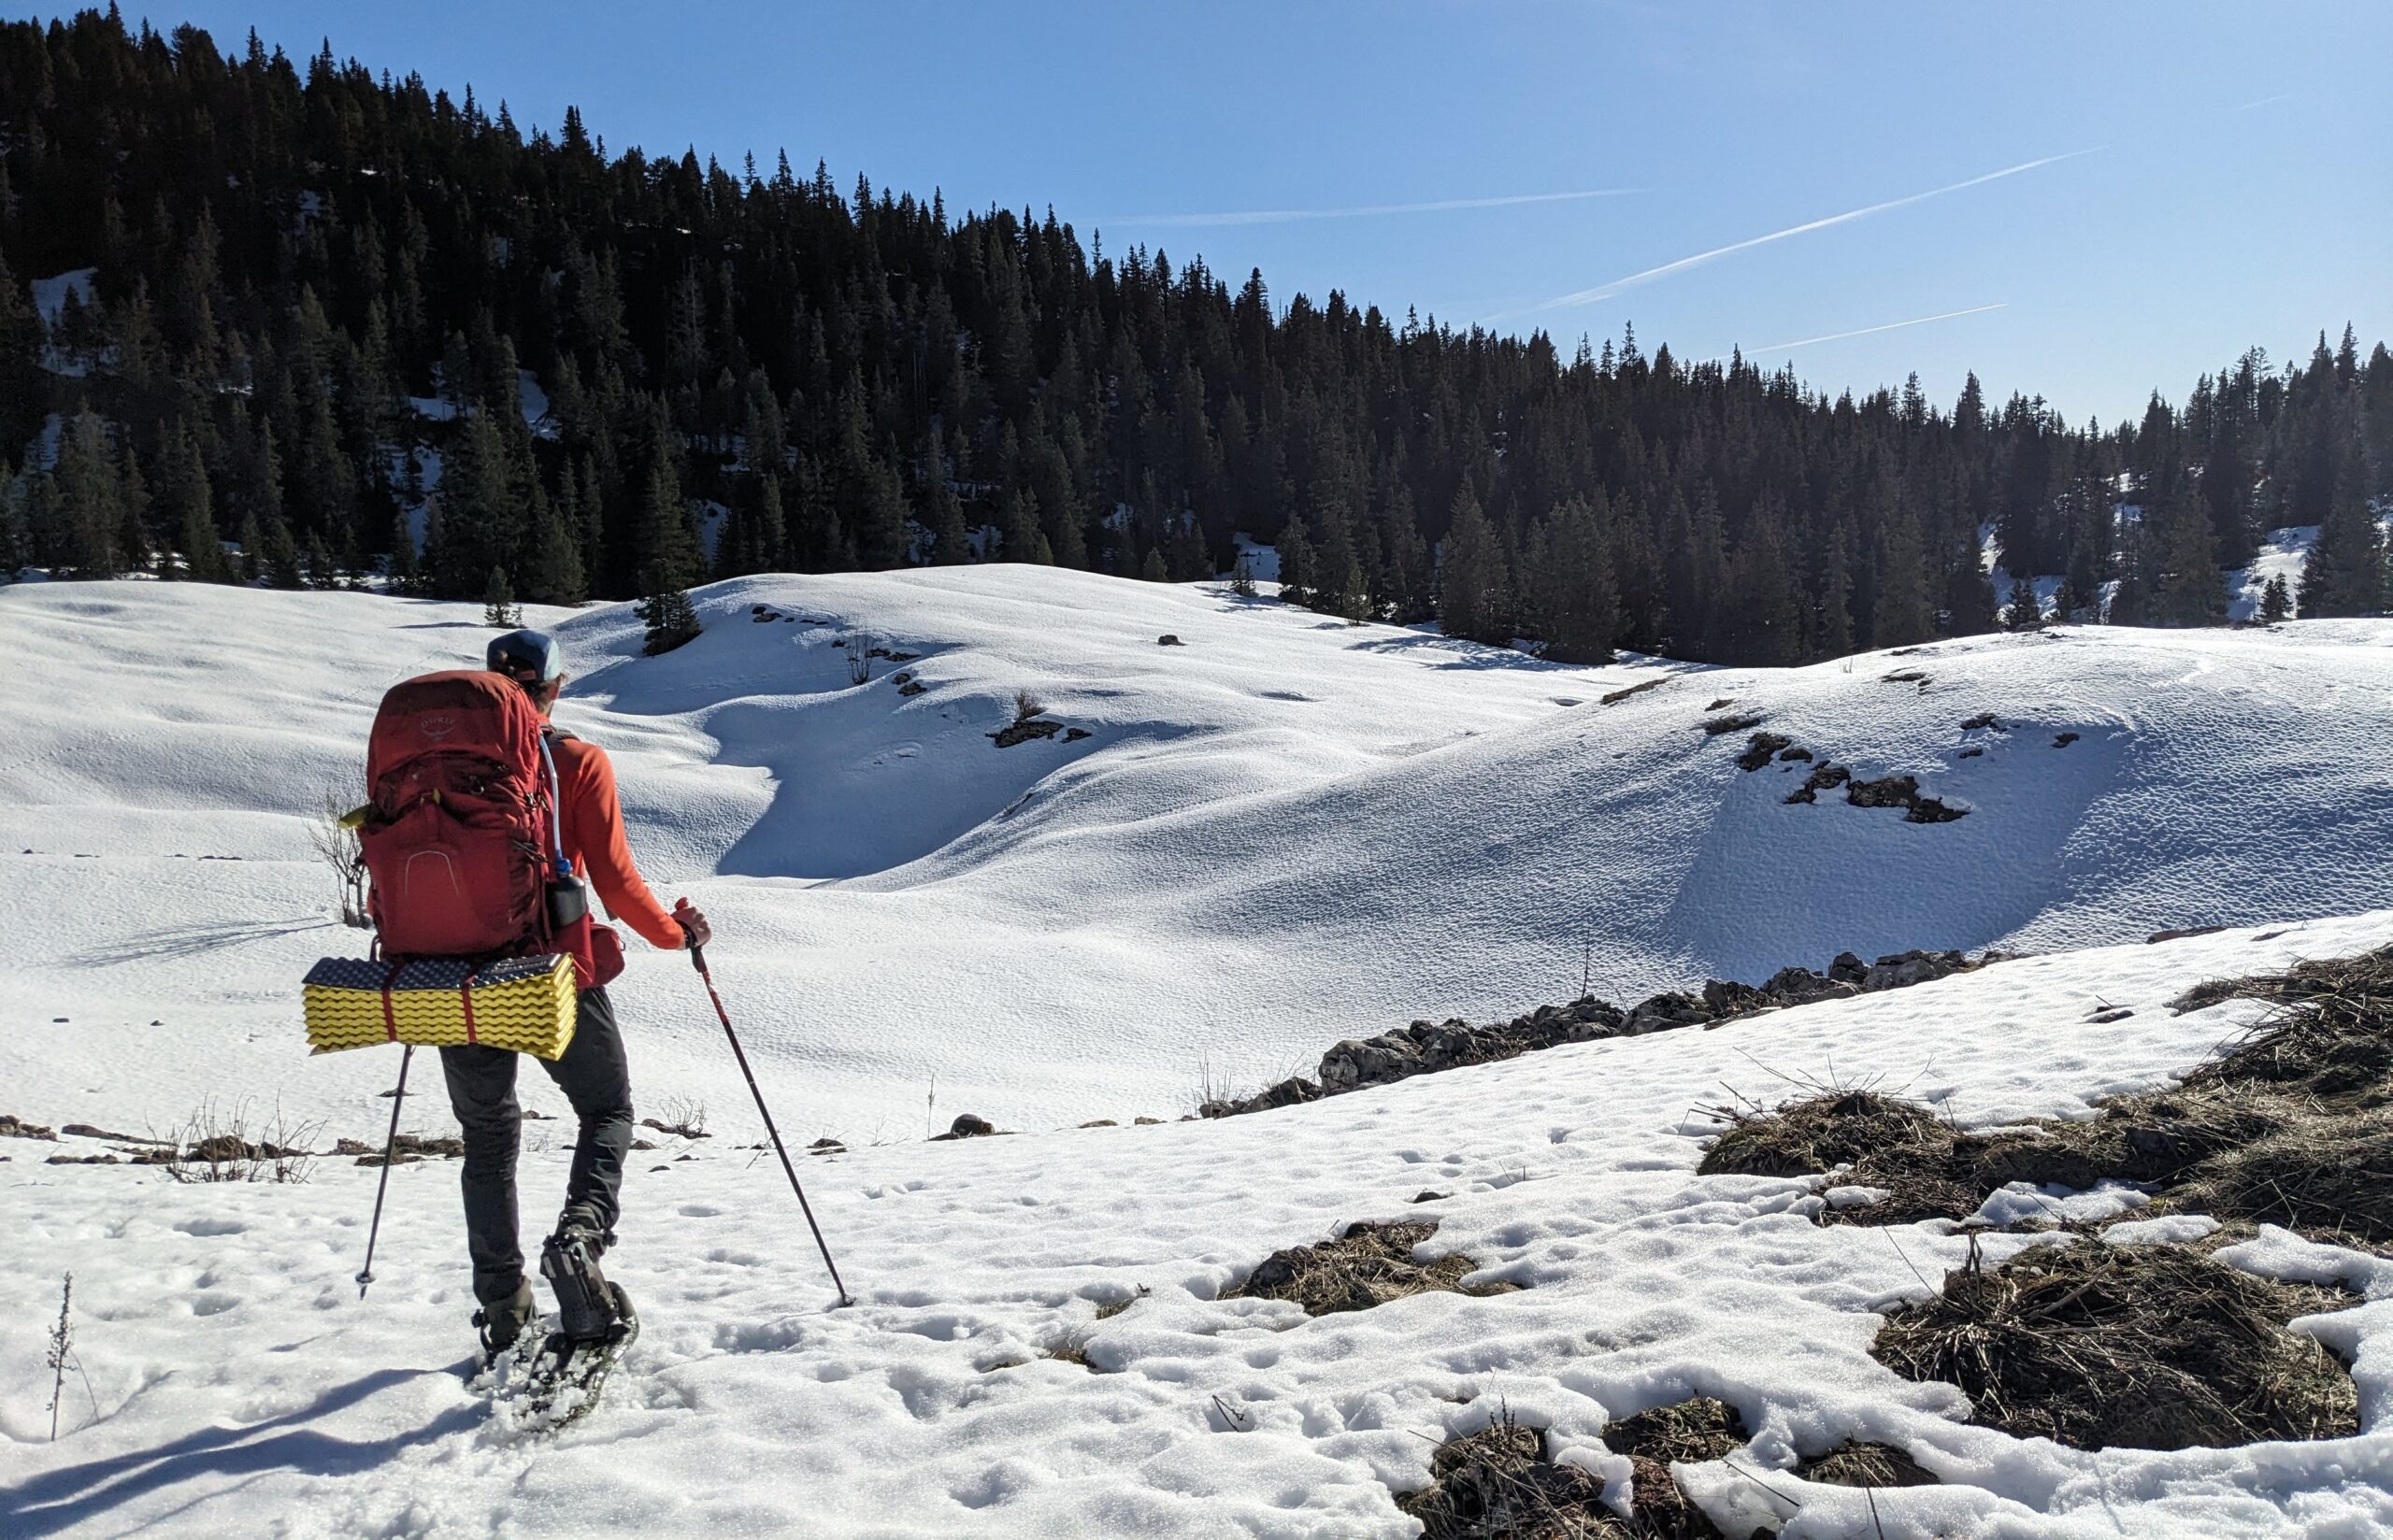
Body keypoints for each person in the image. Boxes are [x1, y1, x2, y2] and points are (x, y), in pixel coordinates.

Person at [448, 627, 711, 1360]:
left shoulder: (445, 768)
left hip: (451, 977)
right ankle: (579, 1242)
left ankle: (503, 1309)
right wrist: (678, 935)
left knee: (489, 1136)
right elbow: (619, 888)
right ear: (556, 687)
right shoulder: (574, 762)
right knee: (605, 1110)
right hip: (549, 972)